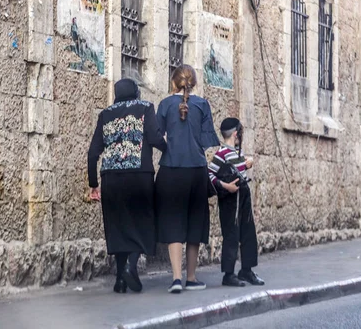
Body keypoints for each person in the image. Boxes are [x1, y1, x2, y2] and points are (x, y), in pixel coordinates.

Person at [88, 78, 167, 293]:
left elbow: (93, 152)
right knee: (142, 221)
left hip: (111, 179)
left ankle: (120, 279)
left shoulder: (105, 115)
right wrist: (169, 149)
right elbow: (154, 137)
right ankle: (131, 266)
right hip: (139, 177)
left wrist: (93, 183)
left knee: (119, 225)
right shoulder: (145, 108)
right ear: (135, 92)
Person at [155, 64, 220, 294]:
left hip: (171, 170)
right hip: (196, 170)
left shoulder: (164, 104)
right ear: (194, 84)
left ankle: (175, 278)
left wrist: (168, 147)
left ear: (173, 82)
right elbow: (207, 140)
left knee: (173, 220)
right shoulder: (202, 105)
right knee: (195, 222)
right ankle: (191, 278)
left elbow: (155, 135)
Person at [208, 118, 265, 287]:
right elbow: (210, 174)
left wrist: (246, 165)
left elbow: (235, 169)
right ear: (235, 133)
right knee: (231, 234)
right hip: (230, 199)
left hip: (244, 195)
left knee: (248, 232)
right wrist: (225, 186)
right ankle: (228, 274)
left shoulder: (236, 153)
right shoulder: (221, 153)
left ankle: (246, 270)